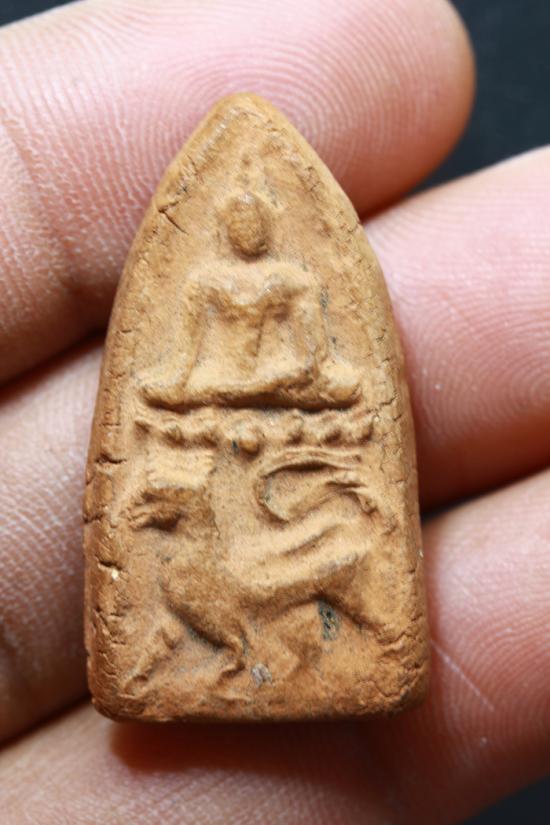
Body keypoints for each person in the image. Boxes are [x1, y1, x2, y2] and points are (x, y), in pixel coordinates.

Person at [0, 1, 548, 823]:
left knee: (326, 390)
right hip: (216, 390)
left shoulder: (294, 280)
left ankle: (323, 643)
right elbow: (183, 364)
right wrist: (192, 387)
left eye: (260, 221)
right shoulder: (202, 281)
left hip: (289, 386)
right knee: (172, 395)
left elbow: (319, 359)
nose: (251, 230)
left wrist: (299, 378)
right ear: (228, 225)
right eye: (240, 220)